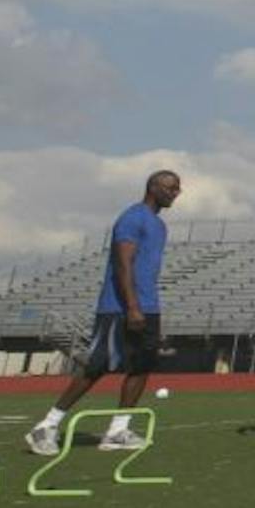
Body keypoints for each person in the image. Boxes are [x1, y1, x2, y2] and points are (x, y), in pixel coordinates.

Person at [24, 170, 182, 456]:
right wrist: (132, 306)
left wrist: (145, 307)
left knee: (142, 366)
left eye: (178, 189)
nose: (176, 193)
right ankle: (46, 426)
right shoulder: (132, 218)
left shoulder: (159, 225)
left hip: (148, 306)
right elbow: (123, 263)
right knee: (97, 366)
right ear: (153, 187)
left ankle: (117, 431)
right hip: (119, 307)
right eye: (171, 188)